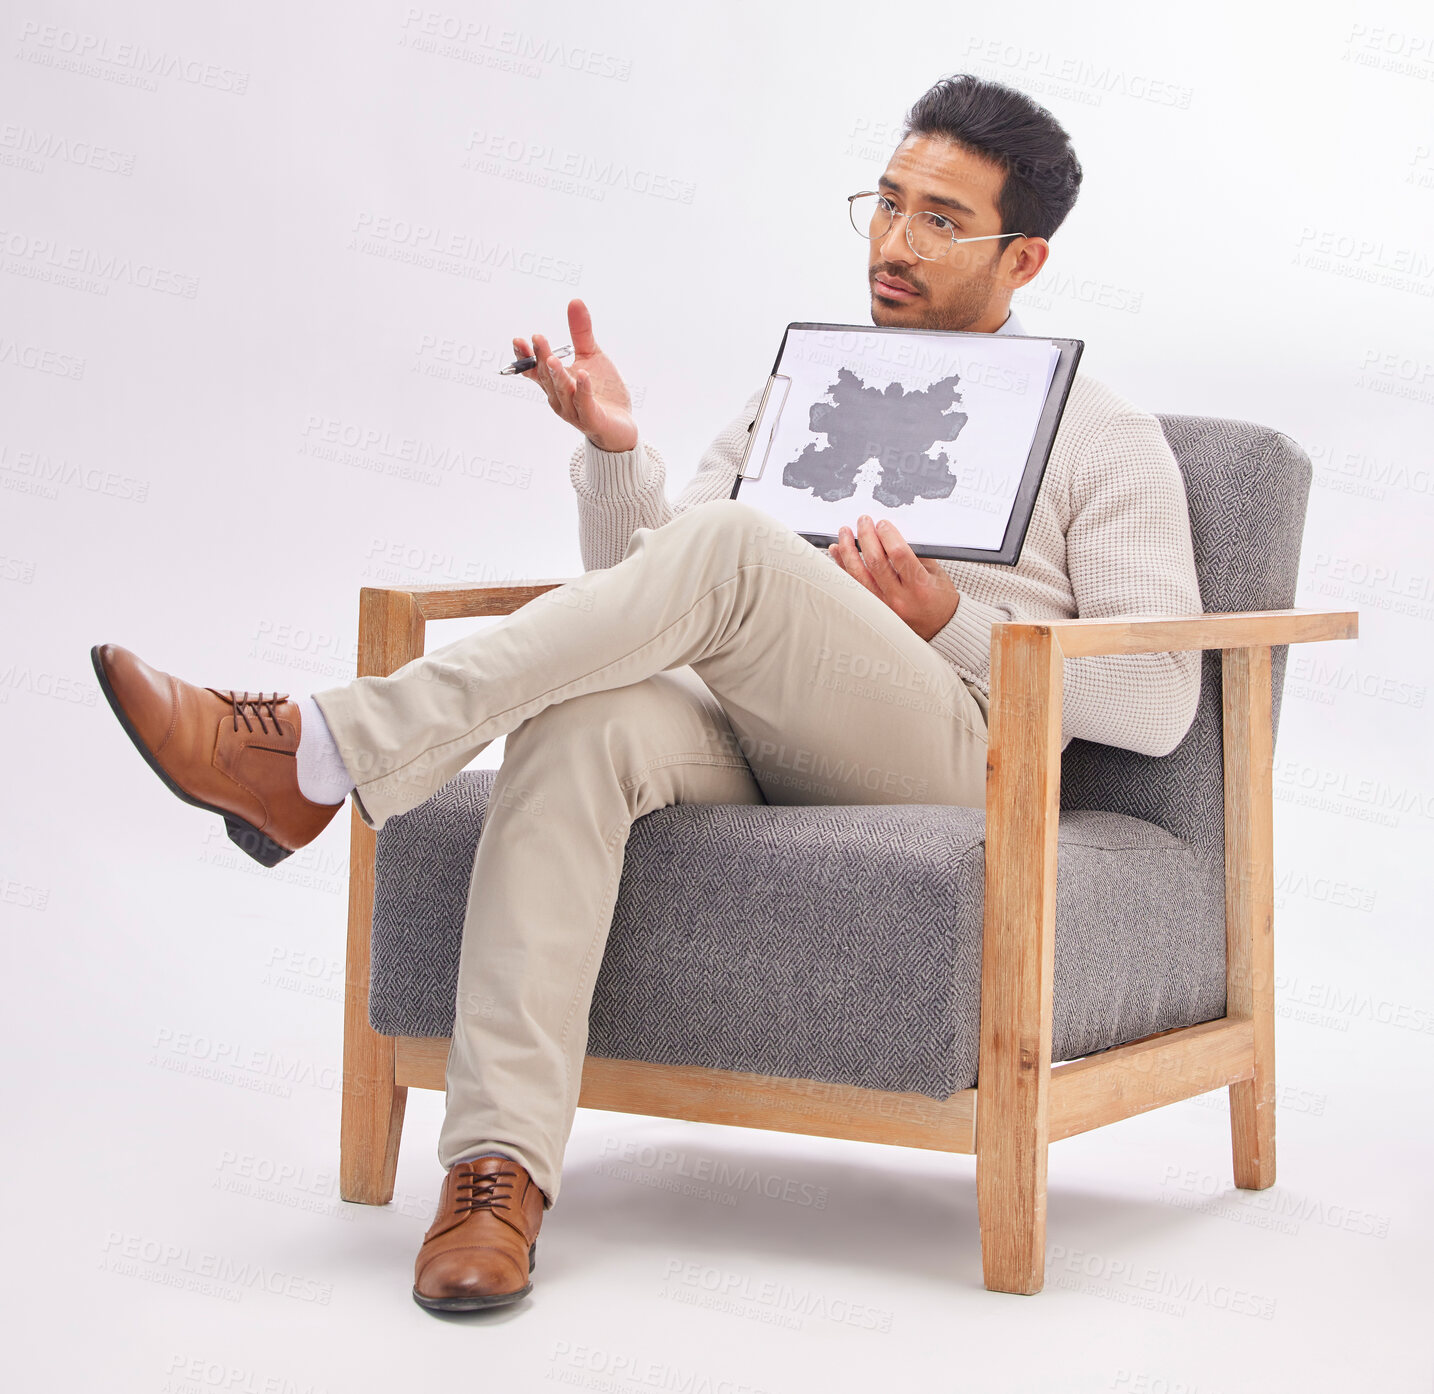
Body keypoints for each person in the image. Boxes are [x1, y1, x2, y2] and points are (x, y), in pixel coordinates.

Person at [90, 72, 1202, 1314]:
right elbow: (643, 601)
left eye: (941, 220)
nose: (894, 243)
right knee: (582, 714)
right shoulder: (801, 395)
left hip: (959, 749)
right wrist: (618, 455)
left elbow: (1158, 698)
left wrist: (950, 620)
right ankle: (495, 1168)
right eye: (885, 205)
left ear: (1025, 255)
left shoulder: (1104, 435)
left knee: (736, 546)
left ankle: (318, 752)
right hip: (753, 721)